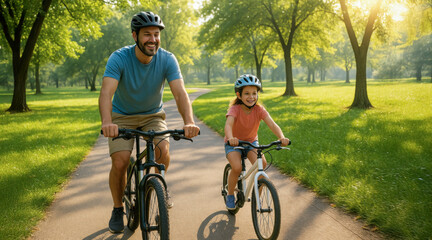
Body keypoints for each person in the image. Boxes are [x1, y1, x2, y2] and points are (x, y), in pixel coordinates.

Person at [99, 11, 200, 233]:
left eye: (156, 34)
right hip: (122, 116)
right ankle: (118, 208)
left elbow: (180, 93)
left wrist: (189, 122)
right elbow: (106, 92)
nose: (153, 39)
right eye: (147, 34)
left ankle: (156, 186)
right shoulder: (119, 58)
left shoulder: (167, 59)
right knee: (121, 161)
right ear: (135, 36)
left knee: (162, 151)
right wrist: (107, 121)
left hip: (153, 116)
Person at [224, 74, 290, 210]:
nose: (251, 97)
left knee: (262, 164)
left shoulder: (259, 110)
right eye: (247, 93)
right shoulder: (235, 109)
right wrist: (231, 138)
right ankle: (230, 194)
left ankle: (257, 200)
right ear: (239, 95)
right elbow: (228, 125)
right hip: (234, 143)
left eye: (254, 93)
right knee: (236, 168)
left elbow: (272, 124)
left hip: (251, 142)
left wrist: (281, 137)